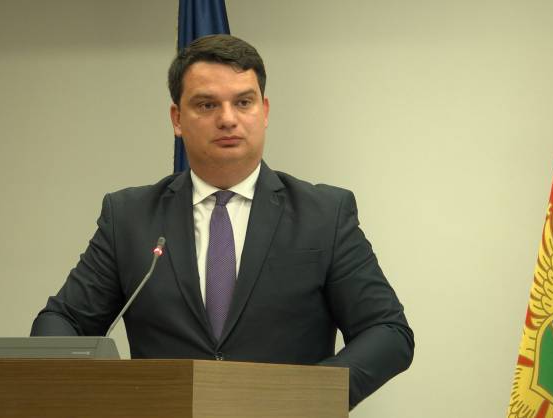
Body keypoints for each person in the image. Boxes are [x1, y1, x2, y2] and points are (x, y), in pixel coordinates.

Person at [31, 34, 414, 408]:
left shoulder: (324, 214)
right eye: (207, 105)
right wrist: (97, 394)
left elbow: (387, 331)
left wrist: (309, 398)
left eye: (243, 102)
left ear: (264, 111)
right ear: (177, 119)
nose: (228, 119)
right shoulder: (130, 218)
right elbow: (63, 321)